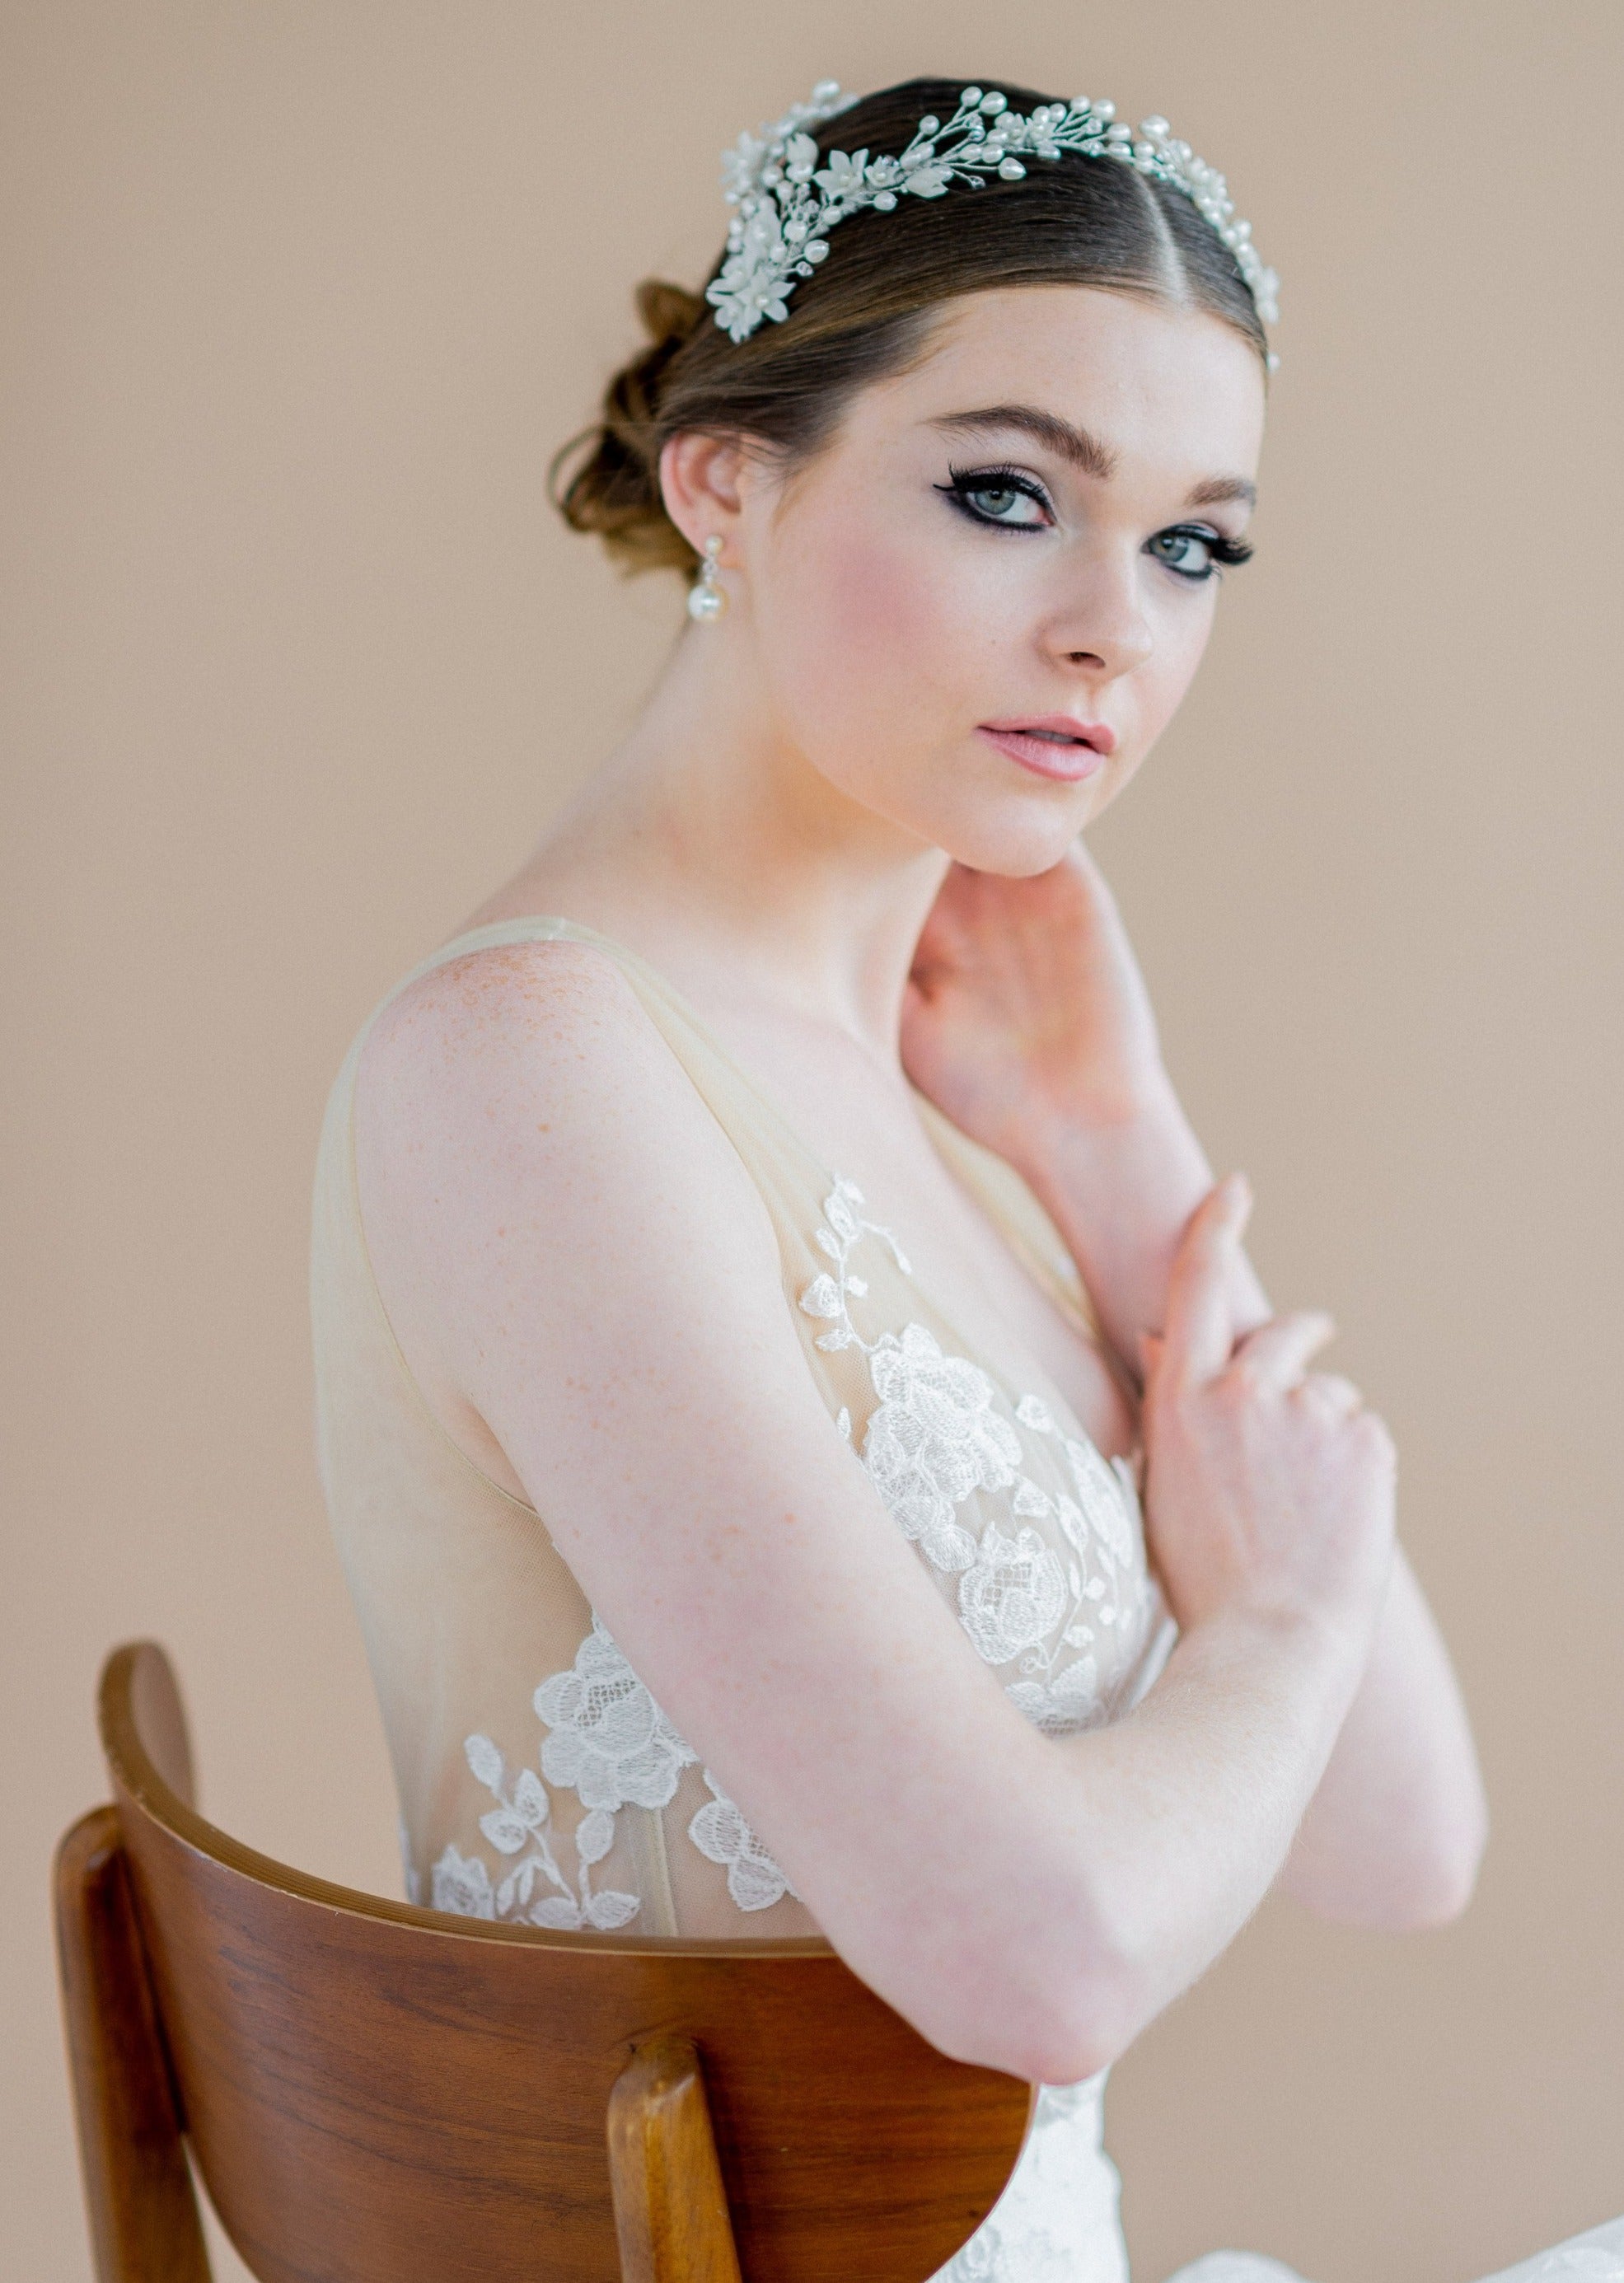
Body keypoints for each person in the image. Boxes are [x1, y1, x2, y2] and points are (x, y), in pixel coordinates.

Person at [309, 74, 1621, 2283]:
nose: (1117, 623)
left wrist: (1117, 1149)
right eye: (1010, 493)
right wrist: (1279, 1612)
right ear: (725, 478)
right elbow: (1040, 1963)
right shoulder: (537, 1072)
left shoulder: (948, 1095)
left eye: (1195, 541)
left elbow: (1401, 1836)